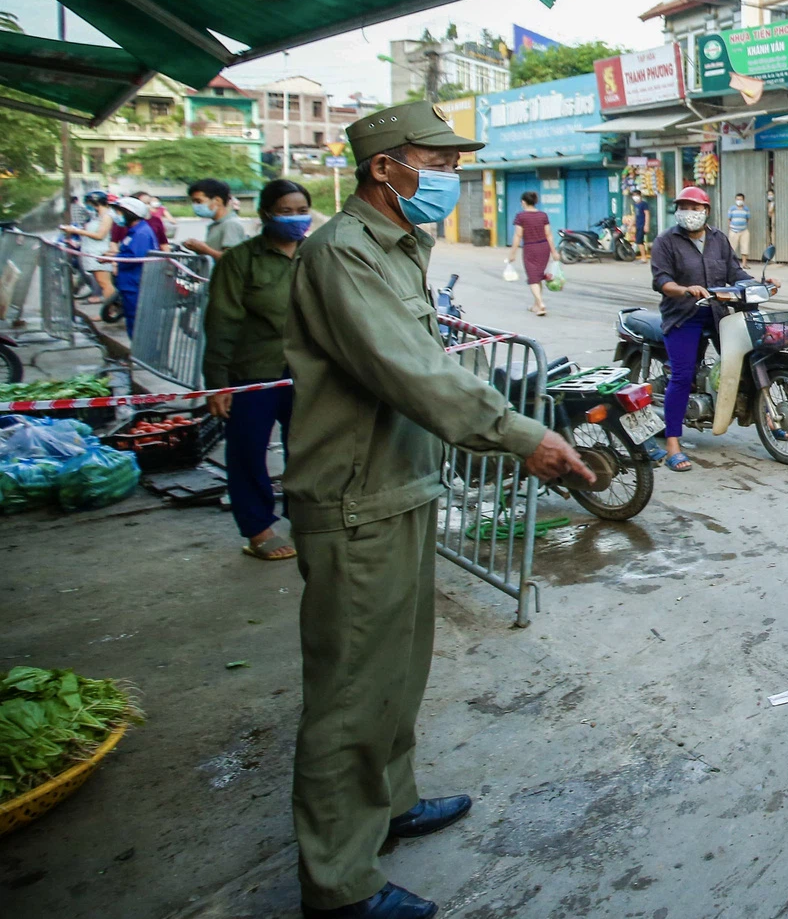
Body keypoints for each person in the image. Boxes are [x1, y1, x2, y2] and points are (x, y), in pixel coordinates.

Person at [285, 102, 594, 919]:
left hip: (400, 485)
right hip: (356, 499)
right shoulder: (343, 253)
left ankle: (388, 802)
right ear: (384, 166)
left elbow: (426, 359)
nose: (450, 176)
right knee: (351, 691)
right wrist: (521, 435)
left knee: (398, 668)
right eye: (436, 159)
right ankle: (339, 882)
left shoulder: (399, 245)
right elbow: (413, 375)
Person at [203, 180, 312, 562]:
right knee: (248, 452)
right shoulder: (240, 260)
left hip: (306, 373)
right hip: (254, 374)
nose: (296, 218)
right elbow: (221, 323)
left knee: (308, 450)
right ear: (266, 214)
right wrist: (217, 384)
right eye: (286, 210)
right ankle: (257, 528)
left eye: (302, 210)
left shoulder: (317, 254)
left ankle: (304, 518)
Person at [650, 185, 778, 472]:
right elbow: (661, 281)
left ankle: (771, 416)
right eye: (684, 207)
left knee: (751, 361)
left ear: (706, 211)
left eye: (695, 208)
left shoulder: (719, 238)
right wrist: (684, 289)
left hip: (720, 314)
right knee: (682, 377)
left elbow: (736, 273)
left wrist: (762, 284)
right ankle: (672, 444)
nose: (689, 213)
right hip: (683, 315)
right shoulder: (665, 241)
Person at [61, 190, 115, 305]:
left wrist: (77, 231)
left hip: (100, 253)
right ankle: (108, 309)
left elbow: (100, 235)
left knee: (105, 283)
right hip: (91, 253)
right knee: (101, 282)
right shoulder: (96, 216)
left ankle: (110, 309)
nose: (88, 206)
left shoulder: (107, 216)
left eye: (89, 203)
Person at [111, 196, 157, 328]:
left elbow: (136, 258)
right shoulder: (133, 232)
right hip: (129, 283)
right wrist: (115, 255)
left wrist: (115, 258)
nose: (116, 216)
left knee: (137, 322)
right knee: (132, 319)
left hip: (135, 284)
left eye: (119, 212)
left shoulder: (141, 233)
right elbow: (130, 253)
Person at [506, 190, 553, 317]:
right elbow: (548, 234)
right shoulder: (543, 215)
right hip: (544, 247)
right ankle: (535, 305)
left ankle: (541, 304)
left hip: (530, 248)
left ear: (523, 202)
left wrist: (512, 253)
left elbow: (518, 235)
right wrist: (554, 252)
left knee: (533, 278)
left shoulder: (521, 216)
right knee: (538, 276)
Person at [182, 178, 248, 260]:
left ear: (217, 200)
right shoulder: (217, 224)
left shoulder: (231, 224)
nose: (195, 206)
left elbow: (231, 259)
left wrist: (204, 249)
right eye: (193, 202)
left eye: (199, 201)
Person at [726, 192, 751, 258]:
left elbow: (747, 219)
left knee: (745, 248)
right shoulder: (732, 209)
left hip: (744, 231)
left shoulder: (746, 209)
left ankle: (744, 264)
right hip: (733, 231)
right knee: (731, 248)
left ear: (743, 200)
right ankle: (731, 264)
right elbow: (729, 219)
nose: (739, 201)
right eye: (737, 199)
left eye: (740, 199)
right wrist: (730, 228)